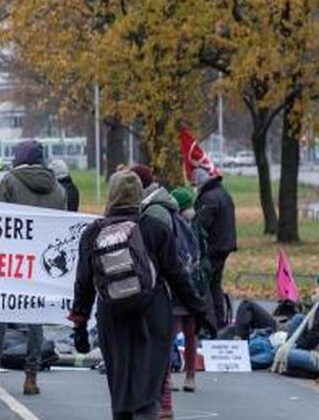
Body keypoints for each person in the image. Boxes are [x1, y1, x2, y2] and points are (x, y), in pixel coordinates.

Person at [71, 170, 214, 420]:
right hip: (153, 317)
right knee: (148, 394)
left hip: (112, 318)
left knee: (121, 394)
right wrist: (201, 311)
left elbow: (83, 286)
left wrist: (80, 329)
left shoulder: (92, 234)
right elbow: (178, 276)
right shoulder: (155, 228)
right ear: (139, 196)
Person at [0, 139, 66, 397]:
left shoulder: (10, 181)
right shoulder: (58, 189)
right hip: (41, 262)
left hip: (12, 259)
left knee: (0, 316)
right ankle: (31, 377)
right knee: (36, 319)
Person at [169, 187, 208, 394]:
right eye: (187, 207)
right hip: (177, 288)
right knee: (171, 332)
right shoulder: (171, 227)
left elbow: (204, 255)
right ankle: (167, 374)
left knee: (191, 332)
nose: (190, 211)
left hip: (192, 288)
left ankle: (190, 373)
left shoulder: (195, 228)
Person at [273, 273, 319, 378]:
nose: (315, 289)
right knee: (298, 318)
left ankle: (305, 370)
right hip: (317, 349)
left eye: (318, 286)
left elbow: (314, 335)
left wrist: (297, 347)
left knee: (280, 353)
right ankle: (294, 361)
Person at [193, 166, 236, 329]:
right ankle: (219, 320)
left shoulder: (209, 198)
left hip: (213, 247)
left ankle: (211, 323)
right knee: (215, 284)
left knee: (207, 284)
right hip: (224, 245)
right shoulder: (222, 193)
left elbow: (201, 224)